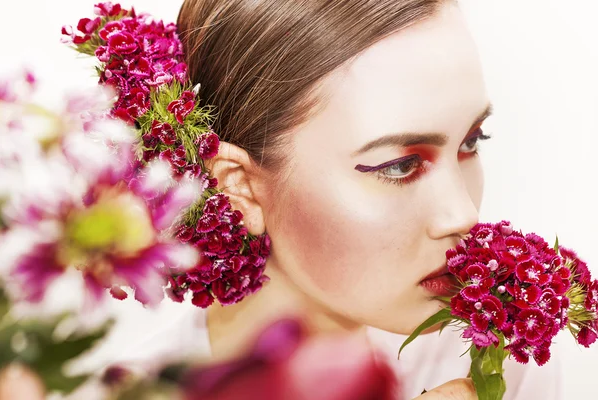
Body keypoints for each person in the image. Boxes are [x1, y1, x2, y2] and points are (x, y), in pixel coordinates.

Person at [72, 0, 563, 399]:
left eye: (471, 142)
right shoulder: (138, 392)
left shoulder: (499, 363)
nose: (464, 214)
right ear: (238, 184)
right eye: (398, 165)